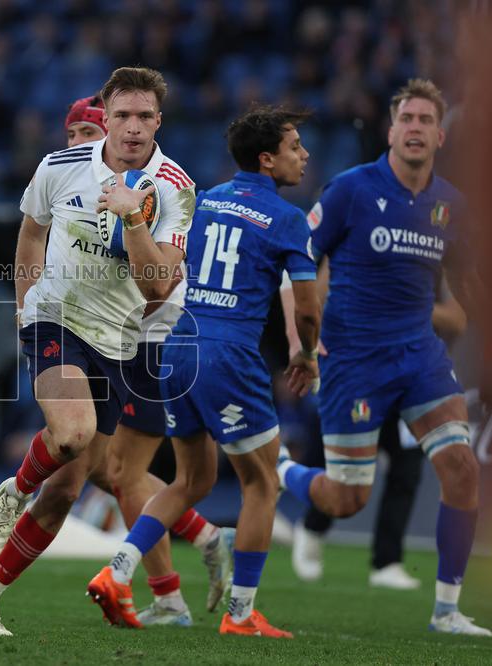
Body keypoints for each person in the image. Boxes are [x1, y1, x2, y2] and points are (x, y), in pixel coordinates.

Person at [0, 67, 195, 636]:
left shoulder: (176, 188)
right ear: (105, 119)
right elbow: (31, 232)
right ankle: (15, 490)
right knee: (72, 433)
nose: (133, 127)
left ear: (158, 122)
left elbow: (158, 287)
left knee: (66, 490)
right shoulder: (59, 166)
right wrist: (24, 305)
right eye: (123, 115)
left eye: (144, 116)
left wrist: (132, 217)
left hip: (119, 341)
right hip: (56, 318)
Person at [87, 105, 319, 639]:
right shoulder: (288, 219)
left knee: (192, 480)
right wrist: (305, 352)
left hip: (179, 347)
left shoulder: (204, 200)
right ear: (267, 159)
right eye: (294, 146)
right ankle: (241, 614)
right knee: (262, 484)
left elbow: (162, 266)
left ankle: (117, 570)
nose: (304, 155)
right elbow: (307, 309)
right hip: (230, 356)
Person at [276, 79, 492, 636]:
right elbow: (298, 264)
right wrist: (301, 342)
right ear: (391, 131)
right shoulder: (350, 190)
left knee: (461, 467)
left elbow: (468, 283)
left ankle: (447, 610)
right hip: (355, 361)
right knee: (347, 499)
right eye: (407, 119)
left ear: (440, 136)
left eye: (426, 120)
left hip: (420, 356)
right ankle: (280, 470)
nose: (415, 128)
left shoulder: (451, 205)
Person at [64, 94, 234, 625]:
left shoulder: (152, 187)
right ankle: (202, 539)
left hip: (152, 339)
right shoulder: (75, 185)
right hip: (109, 336)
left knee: (121, 471)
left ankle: (168, 596)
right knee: (103, 467)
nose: (78, 144)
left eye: (87, 133)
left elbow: (161, 282)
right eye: (71, 134)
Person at [284, 283, 467, 589]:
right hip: (364, 374)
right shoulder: (362, 255)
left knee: (406, 470)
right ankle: (313, 526)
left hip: (413, 378)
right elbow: (320, 290)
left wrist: (407, 303)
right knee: (347, 469)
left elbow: (457, 321)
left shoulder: (433, 259)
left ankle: (387, 561)